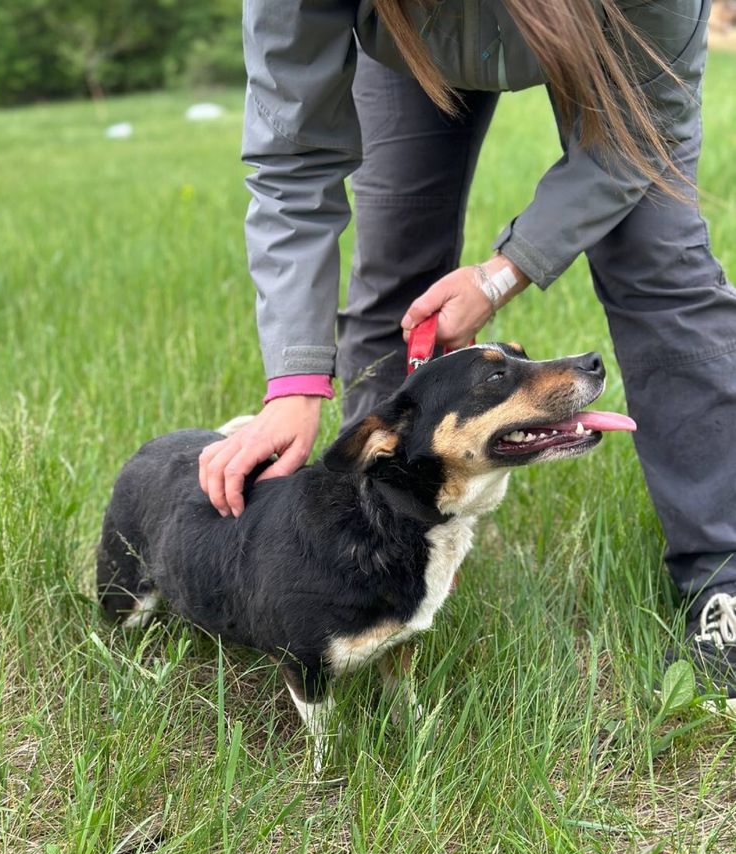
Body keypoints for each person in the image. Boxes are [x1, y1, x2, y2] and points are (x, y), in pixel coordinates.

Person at [198, 0, 736, 686]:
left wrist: (502, 273)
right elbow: (291, 163)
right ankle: (378, 560)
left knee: (662, 265)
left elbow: (637, 131)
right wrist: (296, 381)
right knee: (400, 277)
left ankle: (726, 577)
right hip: (407, 54)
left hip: (605, 37)